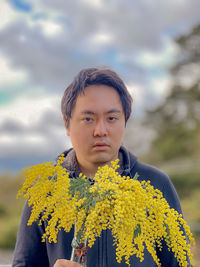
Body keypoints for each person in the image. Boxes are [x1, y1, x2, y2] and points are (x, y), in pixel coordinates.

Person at [12, 67, 189, 267]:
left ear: (125, 122)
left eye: (112, 118)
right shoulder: (45, 190)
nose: (101, 130)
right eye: (88, 119)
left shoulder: (155, 185)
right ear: (67, 124)